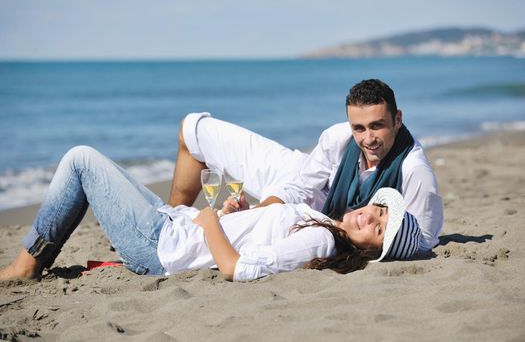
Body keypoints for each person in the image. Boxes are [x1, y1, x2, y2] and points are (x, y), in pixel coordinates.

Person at [0, 146, 420, 282]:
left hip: (162, 247)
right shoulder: (323, 223)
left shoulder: (324, 239)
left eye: (379, 230)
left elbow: (239, 269)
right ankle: (32, 258)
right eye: (379, 212)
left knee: (80, 160)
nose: (371, 218)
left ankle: (26, 264)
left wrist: (212, 222)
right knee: (88, 164)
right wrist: (239, 215)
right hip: (171, 225)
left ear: (370, 250)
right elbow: (258, 240)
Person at [168, 79, 443, 252]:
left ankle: (174, 236)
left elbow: (424, 239)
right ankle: (170, 220)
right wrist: (255, 212)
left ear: (398, 119)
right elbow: (299, 185)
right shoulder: (338, 137)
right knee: (193, 129)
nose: (368, 139)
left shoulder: (414, 170)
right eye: (359, 128)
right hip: (301, 177)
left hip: (317, 218)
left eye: (377, 126)